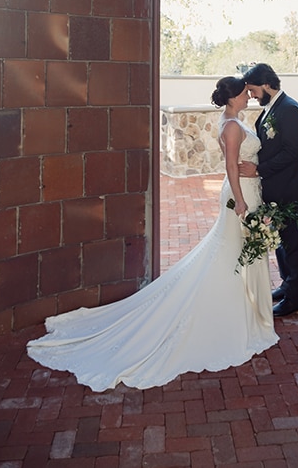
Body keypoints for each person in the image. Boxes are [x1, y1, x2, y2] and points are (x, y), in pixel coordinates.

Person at [26, 76, 278, 391]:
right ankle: (233, 318)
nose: (248, 97)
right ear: (232, 99)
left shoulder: (234, 120)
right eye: (244, 94)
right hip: (241, 196)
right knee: (231, 255)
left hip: (250, 192)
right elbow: (230, 165)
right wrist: (240, 200)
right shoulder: (231, 126)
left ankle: (248, 313)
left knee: (234, 253)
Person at [238, 63, 298, 317]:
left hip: (289, 189)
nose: (252, 95)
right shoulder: (271, 108)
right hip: (274, 188)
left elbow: (290, 154)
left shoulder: (290, 109)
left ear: (267, 84)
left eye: (254, 90)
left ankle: (296, 299)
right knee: (281, 242)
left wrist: (257, 171)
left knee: (293, 243)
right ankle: (286, 284)